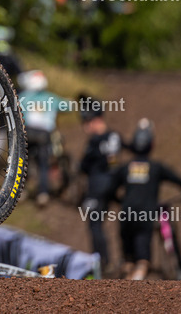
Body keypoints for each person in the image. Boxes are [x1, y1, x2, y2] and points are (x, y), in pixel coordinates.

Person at [108, 119, 181, 280]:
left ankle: (125, 284)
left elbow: (110, 190)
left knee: (128, 259)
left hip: (126, 214)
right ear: (152, 145)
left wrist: (121, 201)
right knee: (142, 260)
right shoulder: (156, 167)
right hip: (145, 215)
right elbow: (180, 180)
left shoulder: (125, 168)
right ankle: (135, 284)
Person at [78, 95, 123, 276]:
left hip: (98, 187)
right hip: (115, 183)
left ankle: (104, 263)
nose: (85, 127)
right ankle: (130, 259)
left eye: (86, 122)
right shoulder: (115, 136)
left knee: (95, 225)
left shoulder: (94, 141)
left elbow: (83, 166)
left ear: (95, 120)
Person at [17, 70, 67, 207]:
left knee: (23, 162)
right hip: (44, 134)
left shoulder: (23, 97)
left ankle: (21, 191)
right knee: (44, 164)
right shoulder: (51, 98)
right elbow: (67, 106)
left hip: (28, 133)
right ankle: (43, 193)